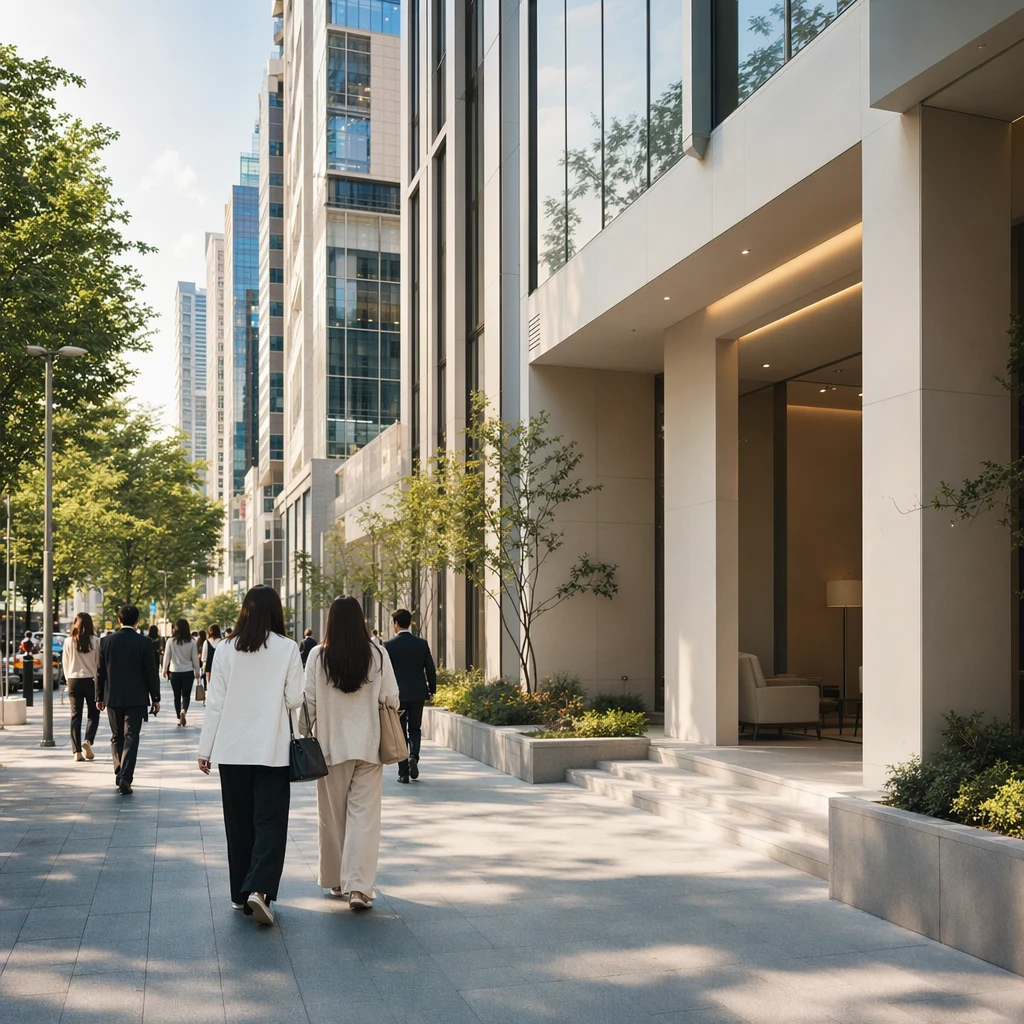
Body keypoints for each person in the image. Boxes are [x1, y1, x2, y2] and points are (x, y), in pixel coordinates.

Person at [197, 586, 304, 926]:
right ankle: (259, 889)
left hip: (231, 749)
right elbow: (294, 698)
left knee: (238, 822)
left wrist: (205, 749)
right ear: (276, 612)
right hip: (271, 748)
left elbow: (215, 703)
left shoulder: (226, 648)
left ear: (244, 611)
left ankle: (239, 893)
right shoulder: (288, 648)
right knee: (270, 822)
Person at [303, 596, 399, 911]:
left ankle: (336, 881)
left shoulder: (318, 657)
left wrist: (301, 734)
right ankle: (358, 888)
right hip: (370, 747)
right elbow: (392, 698)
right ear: (361, 620)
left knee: (332, 819)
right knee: (364, 819)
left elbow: (308, 704)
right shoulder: (378, 654)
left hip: (330, 749)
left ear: (330, 621)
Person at [97, 605, 161, 795]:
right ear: (137, 621)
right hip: (136, 697)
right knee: (131, 736)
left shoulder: (106, 641)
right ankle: (126, 776)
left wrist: (98, 696)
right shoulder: (144, 642)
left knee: (116, 736)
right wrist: (155, 697)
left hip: (113, 696)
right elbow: (151, 672)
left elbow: (100, 672)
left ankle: (119, 770)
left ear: (119, 620)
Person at [383, 609, 436, 784]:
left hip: (397, 696)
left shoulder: (388, 646)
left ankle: (403, 772)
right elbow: (430, 668)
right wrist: (432, 690)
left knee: (400, 732)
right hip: (417, 693)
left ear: (396, 623)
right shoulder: (421, 643)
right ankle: (414, 755)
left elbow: (384, 673)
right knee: (415, 728)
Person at [63, 612, 101, 762]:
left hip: (73, 679)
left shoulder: (68, 642)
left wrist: (68, 680)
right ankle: (88, 740)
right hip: (91, 680)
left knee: (75, 716)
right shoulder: (96, 641)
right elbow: (99, 665)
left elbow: (65, 664)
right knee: (93, 714)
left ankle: (76, 752)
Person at [162, 618, 202, 727]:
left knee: (176, 695)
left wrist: (164, 669)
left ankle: (179, 717)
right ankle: (184, 709)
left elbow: (167, 656)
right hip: (188, 671)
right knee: (186, 694)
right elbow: (195, 658)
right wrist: (197, 671)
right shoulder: (192, 642)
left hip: (174, 671)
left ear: (176, 628)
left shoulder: (170, 641)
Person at [201, 624, 222, 701]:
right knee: (218, 682)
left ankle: (208, 698)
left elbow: (204, 656)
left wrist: (203, 663)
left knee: (208, 682)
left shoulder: (206, 642)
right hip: (219, 665)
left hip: (208, 664)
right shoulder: (221, 641)